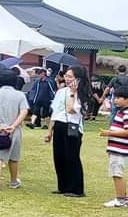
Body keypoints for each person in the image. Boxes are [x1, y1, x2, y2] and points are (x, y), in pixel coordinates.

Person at [46, 66, 90, 198]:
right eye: (66, 76)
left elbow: (71, 109)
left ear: (78, 78)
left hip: (73, 126)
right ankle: (63, 185)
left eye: (70, 76)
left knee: (72, 157)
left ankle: (76, 188)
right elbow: (56, 112)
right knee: (59, 156)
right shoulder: (61, 91)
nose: (67, 79)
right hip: (59, 125)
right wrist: (50, 131)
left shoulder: (83, 94)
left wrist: (73, 93)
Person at [0, 72, 30, 192]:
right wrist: (14, 125)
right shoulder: (20, 95)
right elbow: (24, 111)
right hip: (13, 130)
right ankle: (14, 181)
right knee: (14, 157)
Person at [98, 87, 128, 208]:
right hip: (116, 149)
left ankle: (120, 200)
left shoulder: (126, 113)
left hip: (120, 151)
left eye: (118, 98)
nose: (115, 100)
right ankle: (123, 198)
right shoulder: (121, 111)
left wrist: (108, 133)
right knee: (116, 173)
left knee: (117, 174)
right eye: (114, 97)